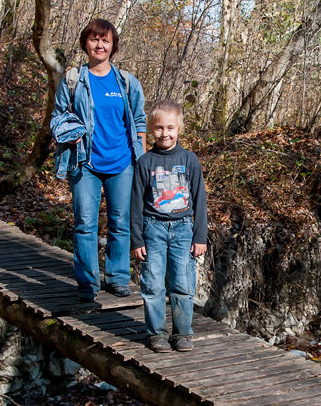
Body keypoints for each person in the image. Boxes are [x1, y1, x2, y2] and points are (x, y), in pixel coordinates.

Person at [51, 19, 147, 302]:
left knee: (120, 222)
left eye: (105, 40)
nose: (100, 45)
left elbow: (139, 120)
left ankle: (118, 278)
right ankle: (87, 283)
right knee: (85, 223)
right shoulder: (73, 80)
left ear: (113, 46)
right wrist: (69, 133)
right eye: (94, 39)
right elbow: (56, 117)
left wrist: (138, 156)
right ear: (86, 43)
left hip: (122, 163)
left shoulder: (126, 82)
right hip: (84, 163)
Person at [130, 101, 208, 352]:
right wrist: (137, 239)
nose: (165, 134)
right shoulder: (145, 162)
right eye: (160, 128)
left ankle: (182, 332)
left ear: (180, 128)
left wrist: (200, 236)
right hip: (153, 227)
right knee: (152, 283)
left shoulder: (189, 160)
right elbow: (135, 204)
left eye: (170, 128)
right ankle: (157, 334)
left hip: (184, 228)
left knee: (183, 283)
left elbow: (200, 200)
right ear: (152, 129)